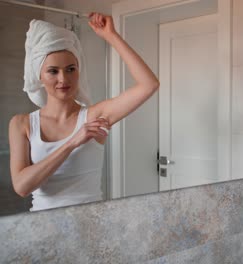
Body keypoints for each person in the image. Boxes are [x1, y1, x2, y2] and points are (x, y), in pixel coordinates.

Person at [8, 13, 159, 211]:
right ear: (40, 76)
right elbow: (22, 187)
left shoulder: (95, 116)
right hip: (44, 226)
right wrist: (72, 143)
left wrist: (111, 36)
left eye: (71, 69)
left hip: (92, 225)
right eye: (53, 71)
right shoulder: (22, 124)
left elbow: (149, 84)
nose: (63, 79)